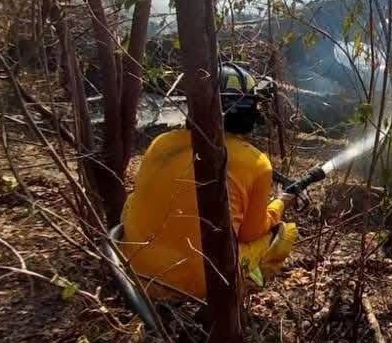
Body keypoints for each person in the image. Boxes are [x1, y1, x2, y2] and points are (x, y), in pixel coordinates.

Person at [120, 63, 297, 299]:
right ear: (248, 114)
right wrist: (279, 204)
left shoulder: (161, 143)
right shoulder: (256, 163)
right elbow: (251, 234)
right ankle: (231, 303)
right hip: (199, 283)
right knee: (284, 234)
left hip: (135, 272)